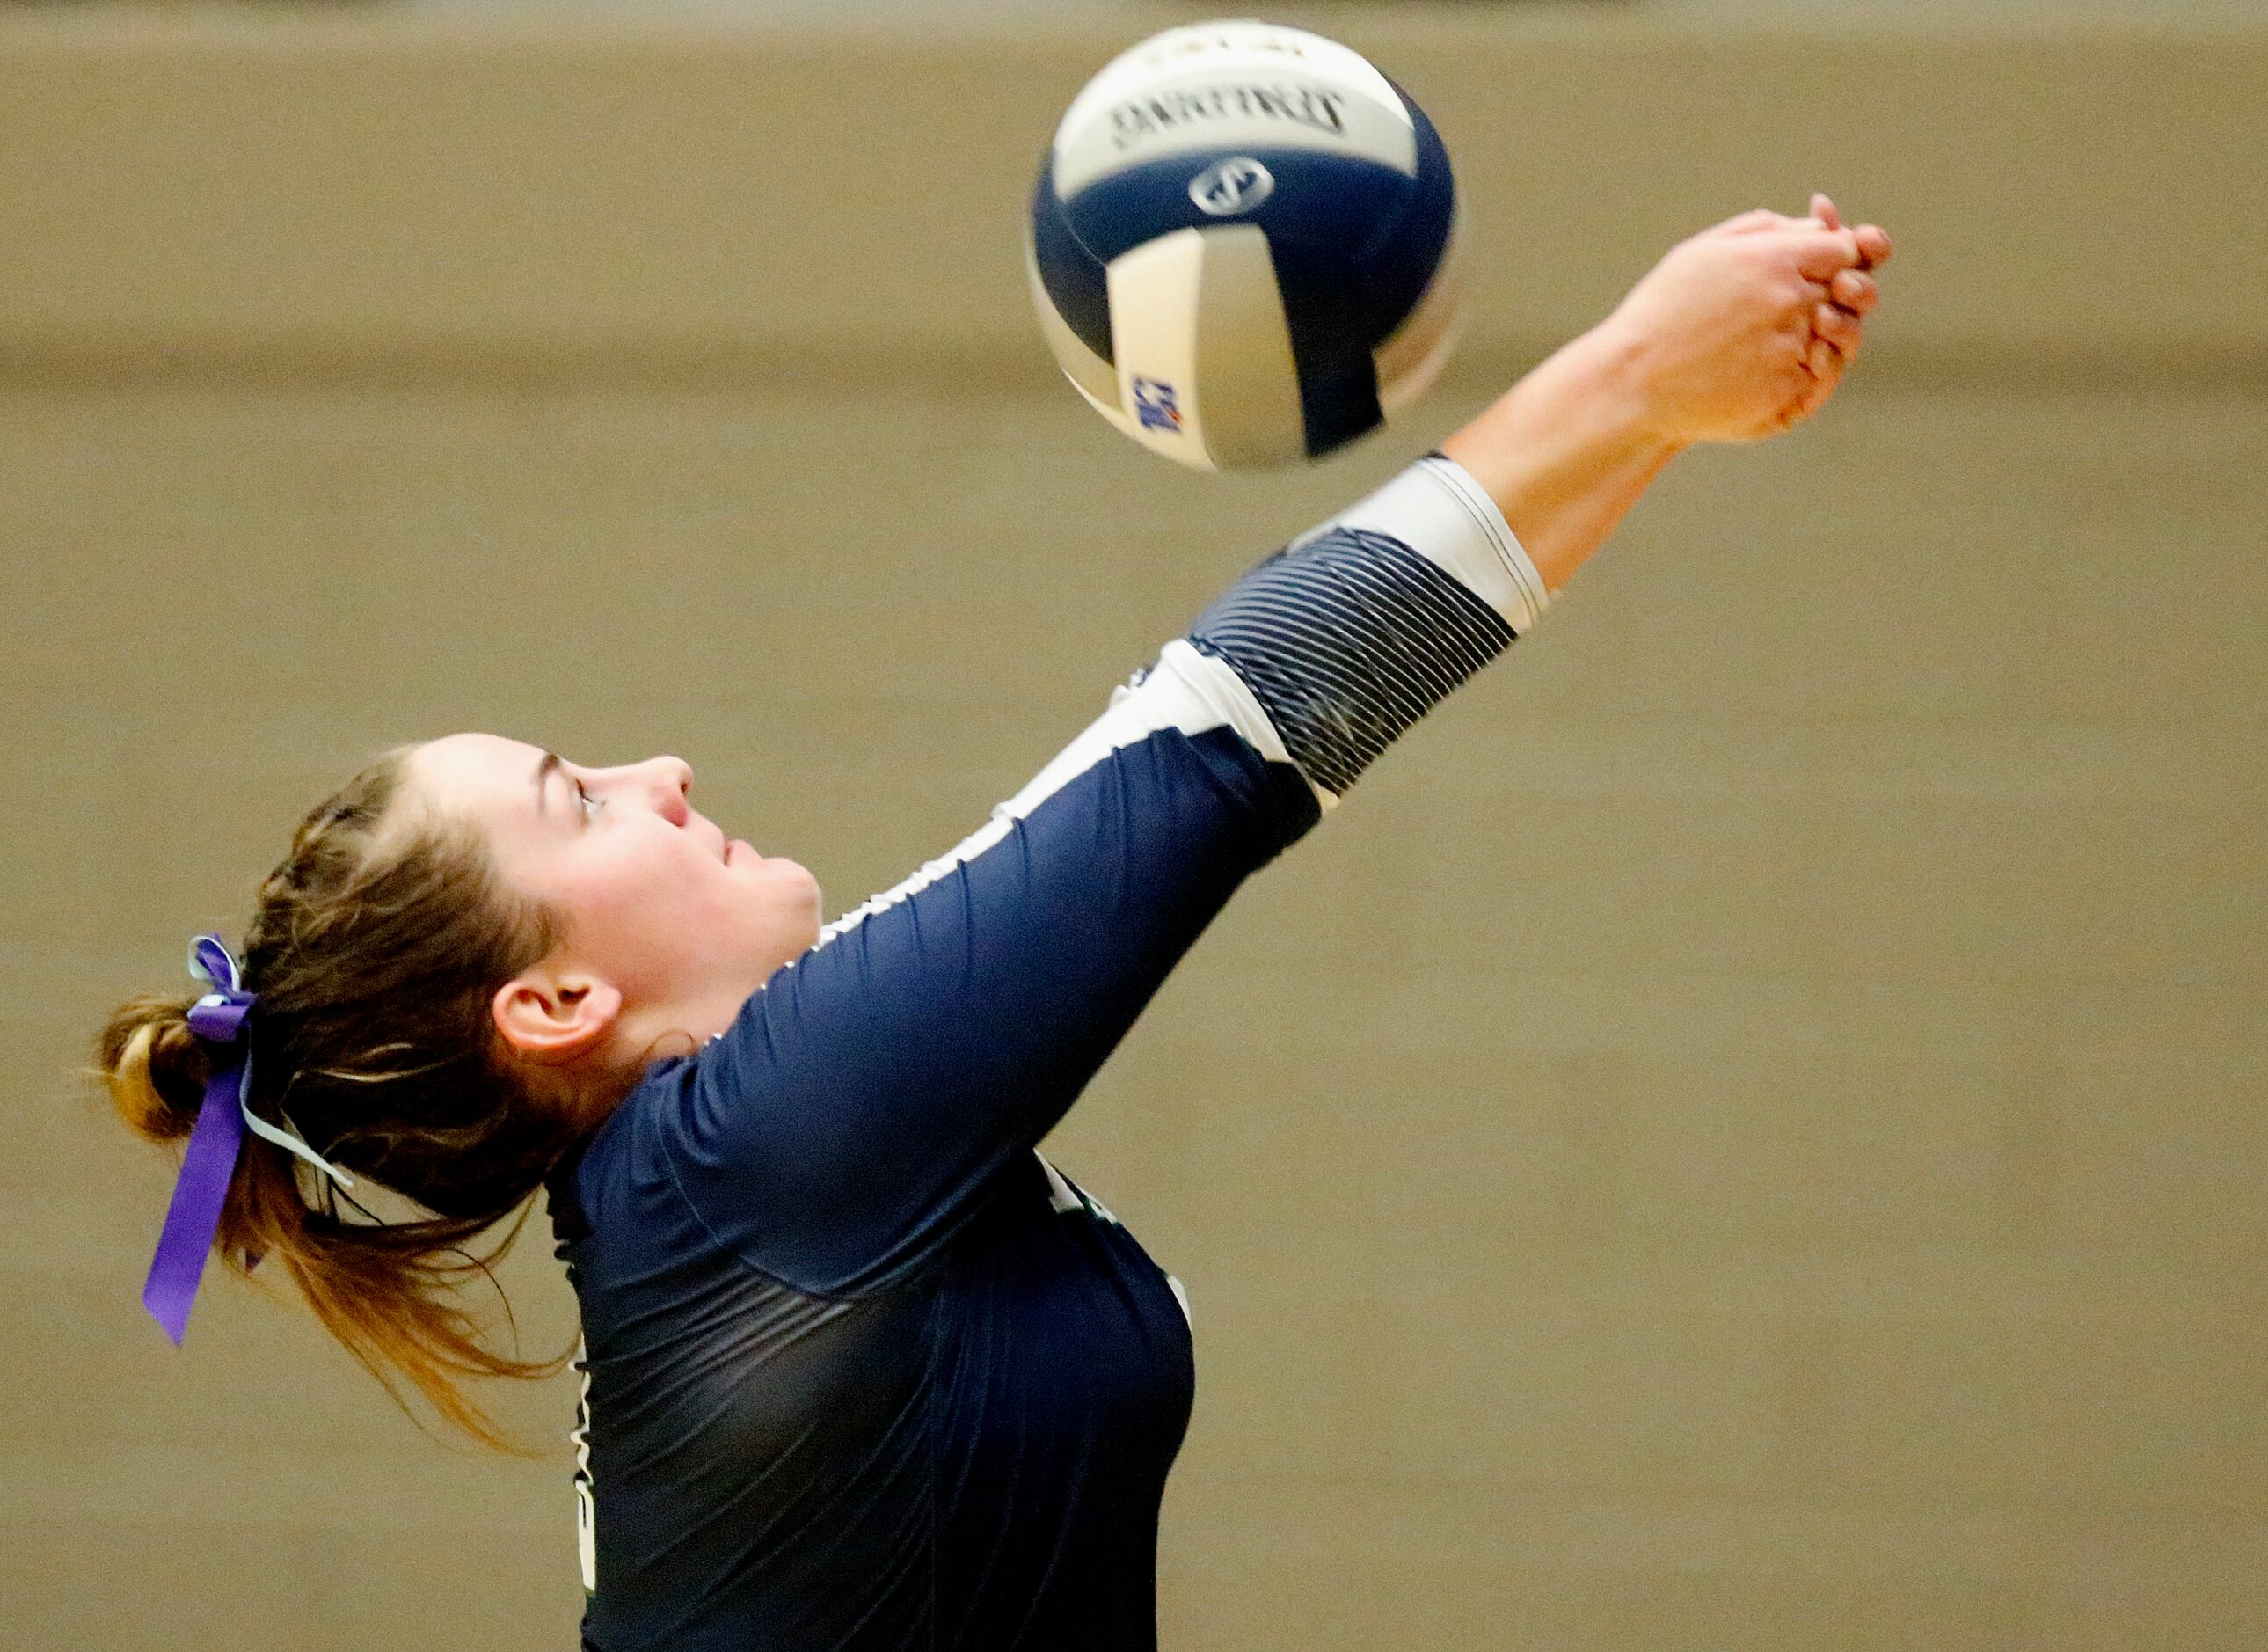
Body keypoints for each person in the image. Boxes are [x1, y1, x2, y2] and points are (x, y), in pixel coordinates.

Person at [101, 195, 1891, 1650]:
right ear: (557, 997)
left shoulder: (747, 1164)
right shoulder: (756, 1156)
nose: (659, 771)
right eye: (579, 798)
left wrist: (1665, 420)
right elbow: (1215, 733)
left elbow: (1247, 734)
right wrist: (1634, 372)